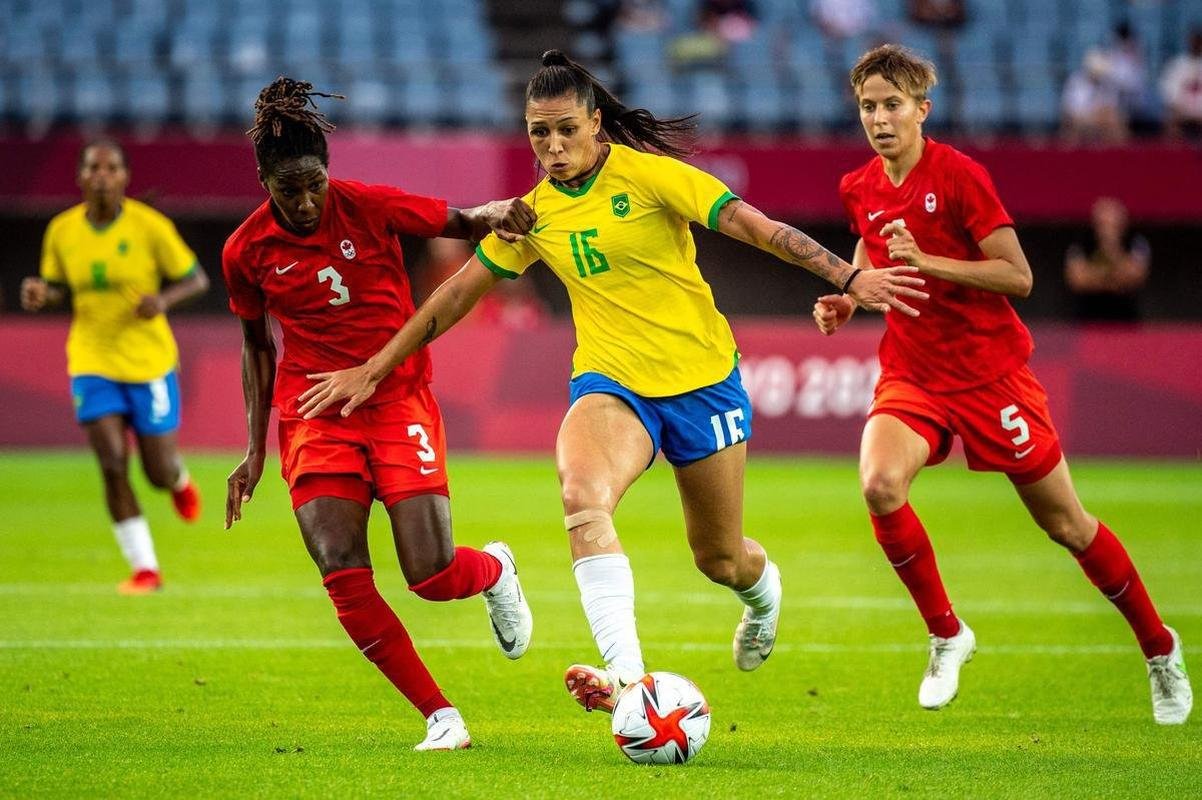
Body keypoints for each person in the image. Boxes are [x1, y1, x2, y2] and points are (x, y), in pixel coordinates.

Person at [297, 50, 926, 715]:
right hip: (611, 384)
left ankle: (763, 594)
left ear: (597, 123)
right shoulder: (532, 214)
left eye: (566, 129)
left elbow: (757, 229)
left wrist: (849, 278)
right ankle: (630, 686)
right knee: (583, 498)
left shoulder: (655, 178)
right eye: (540, 133)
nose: (554, 145)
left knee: (719, 559)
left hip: (702, 381)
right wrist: (374, 366)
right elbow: (454, 296)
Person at [813, 44, 1191, 724]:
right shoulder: (857, 185)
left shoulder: (959, 176)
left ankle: (1160, 649)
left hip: (991, 376)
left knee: (1069, 526)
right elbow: (871, 249)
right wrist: (850, 292)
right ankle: (946, 633)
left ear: (922, 110)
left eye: (892, 105)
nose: (879, 118)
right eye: (868, 106)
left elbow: (1018, 276)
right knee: (878, 483)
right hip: (914, 372)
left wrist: (927, 261)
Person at [220, 77, 535, 751]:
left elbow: (462, 220)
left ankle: (495, 571)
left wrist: (501, 210)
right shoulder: (245, 252)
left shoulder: (369, 206)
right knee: (339, 563)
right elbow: (255, 346)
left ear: (328, 173)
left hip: (396, 395)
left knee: (430, 575)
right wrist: (255, 449)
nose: (305, 203)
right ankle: (440, 715)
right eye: (288, 190)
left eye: (313, 184)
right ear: (264, 182)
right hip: (315, 409)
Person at [20, 139, 208, 595]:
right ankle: (146, 568)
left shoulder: (150, 227)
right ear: (81, 177)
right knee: (111, 463)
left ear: (125, 177)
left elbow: (196, 279)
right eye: (93, 168)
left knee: (156, 470)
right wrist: (43, 295)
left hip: (149, 361)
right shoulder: (62, 231)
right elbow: (59, 286)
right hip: (91, 358)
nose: (101, 175)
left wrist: (161, 300)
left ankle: (177, 479)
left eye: (110, 168)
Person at [1064, 196, 1150, 322]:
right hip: (1088, 318)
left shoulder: (1136, 241)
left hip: (1126, 319)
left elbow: (1135, 276)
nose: (1107, 227)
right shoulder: (1081, 242)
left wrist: (1111, 246)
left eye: (1112, 222)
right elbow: (1077, 280)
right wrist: (1114, 280)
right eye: (1103, 222)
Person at [1160, 28, 1202, 140]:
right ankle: (1173, 155)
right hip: (1181, 110)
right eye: (1194, 41)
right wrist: (1180, 108)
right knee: (1171, 121)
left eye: (1199, 41)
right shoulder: (1177, 64)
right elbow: (1168, 92)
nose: (1196, 45)